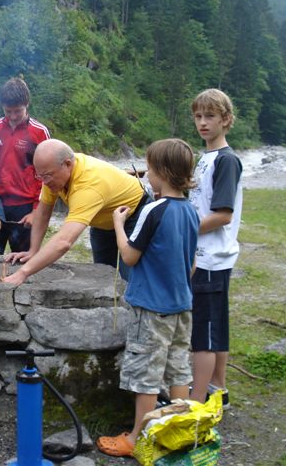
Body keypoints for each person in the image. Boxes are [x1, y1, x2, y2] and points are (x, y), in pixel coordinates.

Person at [96, 138, 199, 458]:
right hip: (182, 306)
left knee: (147, 375)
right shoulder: (192, 211)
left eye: (150, 169)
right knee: (179, 368)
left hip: (151, 309)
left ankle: (138, 439)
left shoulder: (153, 210)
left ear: (162, 173)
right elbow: (192, 264)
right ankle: (177, 432)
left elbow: (128, 255)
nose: (148, 175)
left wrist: (117, 224)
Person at [3, 139, 149, 286]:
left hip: (134, 216)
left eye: (46, 176)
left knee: (130, 279)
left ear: (67, 164)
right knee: (104, 277)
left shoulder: (89, 185)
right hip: (104, 221)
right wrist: (33, 251)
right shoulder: (53, 172)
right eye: (40, 176)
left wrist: (23, 273)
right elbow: (43, 213)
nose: (44, 182)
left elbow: (64, 242)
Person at [189, 89, 243, 408]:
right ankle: (217, 390)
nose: (203, 122)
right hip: (206, 258)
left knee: (204, 335)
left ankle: (196, 403)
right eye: (198, 116)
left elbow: (222, 215)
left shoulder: (227, 160)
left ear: (226, 119)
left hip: (211, 259)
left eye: (210, 116)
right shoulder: (205, 158)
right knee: (216, 327)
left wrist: (182, 228)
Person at [0, 77, 50, 254]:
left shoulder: (39, 132)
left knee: (21, 260)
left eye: (17, 111)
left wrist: (36, 211)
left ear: (26, 104)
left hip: (25, 207)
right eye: (8, 111)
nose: (12, 117)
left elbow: (48, 175)